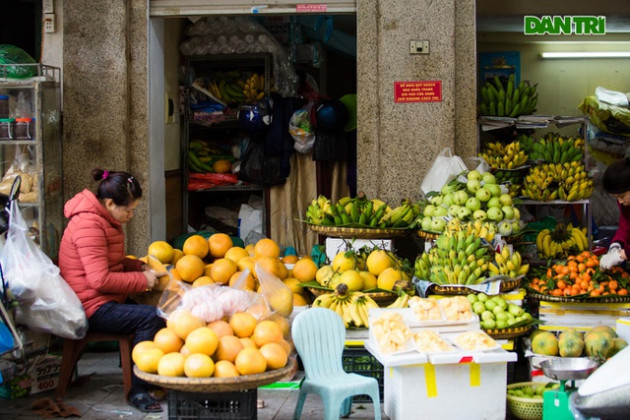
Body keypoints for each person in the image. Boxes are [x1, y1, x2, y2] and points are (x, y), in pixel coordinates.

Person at [58, 169, 166, 413]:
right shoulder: (89, 225)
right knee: (151, 317)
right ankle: (138, 391)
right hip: (89, 306)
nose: (131, 215)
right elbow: (99, 280)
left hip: (102, 299)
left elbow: (109, 262)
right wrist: (141, 279)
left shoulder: (103, 219)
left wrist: (137, 266)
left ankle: (140, 371)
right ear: (109, 203)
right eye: (128, 210)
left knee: (160, 310)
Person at [600, 157, 630, 270]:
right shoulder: (625, 204)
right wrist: (617, 243)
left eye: (621, 196)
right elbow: (626, 223)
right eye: (616, 198)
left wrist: (623, 254)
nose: (620, 202)